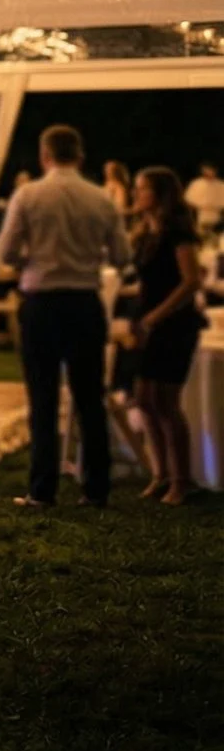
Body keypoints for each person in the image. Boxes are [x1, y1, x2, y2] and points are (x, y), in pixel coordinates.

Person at [0, 125, 131, 509]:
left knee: (43, 398)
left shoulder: (29, 194)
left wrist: (31, 261)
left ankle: (42, 489)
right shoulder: (101, 199)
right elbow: (122, 256)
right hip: (86, 301)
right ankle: (97, 488)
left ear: (45, 156)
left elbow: (5, 252)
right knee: (90, 397)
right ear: (81, 156)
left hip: (41, 301)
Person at [124, 167, 202, 505]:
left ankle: (181, 480)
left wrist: (157, 315)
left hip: (175, 325)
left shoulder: (177, 234)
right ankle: (161, 473)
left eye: (142, 189)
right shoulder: (145, 234)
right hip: (148, 323)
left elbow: (191, 281)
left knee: (166, 402)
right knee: (144, 399)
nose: (136, 195)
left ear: (160, 195)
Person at [184, 162, 224, 238]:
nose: (209, 172)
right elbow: (188, 200)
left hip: (217, 218)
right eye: (206, 169)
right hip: (200, 217)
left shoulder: (221, 185)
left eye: (211, 170)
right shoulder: (196, 184)